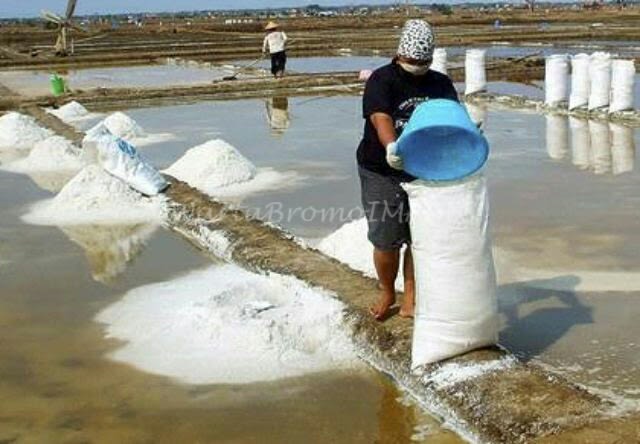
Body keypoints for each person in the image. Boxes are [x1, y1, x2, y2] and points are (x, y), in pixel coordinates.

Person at [357, 19, 458, 320]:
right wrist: (392, 147)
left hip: (425, 169)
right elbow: (380, 117)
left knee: (419, 236)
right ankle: (388, 290)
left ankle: (411, 297)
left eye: (424, 62)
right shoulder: (382, 79)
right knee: (386, 237)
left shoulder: (440, 83)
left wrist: (467, 132)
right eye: (414, 61)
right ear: (400, 54)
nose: (418, 66)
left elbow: (452, 117)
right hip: (380, 167)